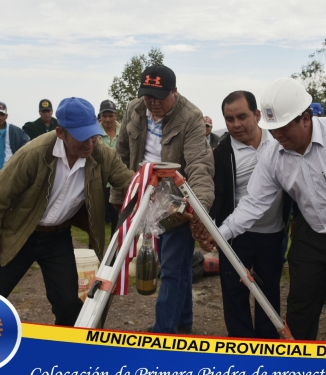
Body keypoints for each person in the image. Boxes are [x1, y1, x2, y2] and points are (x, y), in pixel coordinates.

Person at [193, 77, 326, 342]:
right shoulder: (274, 154)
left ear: (305, 118)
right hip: (312, 234)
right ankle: (297, 368)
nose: (277, 136)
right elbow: (254, 202)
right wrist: (220, 233)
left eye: (283, 128)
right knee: (300, 308)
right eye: (273, 130)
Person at [0, 97, 133, 326]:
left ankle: (67, 349)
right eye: (82, 137)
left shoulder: (101, 156)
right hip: (21, 233)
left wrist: (154, 183)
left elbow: (130, 182)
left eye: (93, 135)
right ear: (61, 133)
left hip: (57, 238)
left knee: (68, 302)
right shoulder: (34, 153)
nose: (89, 144)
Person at [112, 64, 215, 334]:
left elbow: (200, 166)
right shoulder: (134, 110)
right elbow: (121, 153)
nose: (153, 103)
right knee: (176, 264)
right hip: (144, 194)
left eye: (159, 97)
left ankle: (163, 331)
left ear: (175, 92)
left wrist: (199, 212)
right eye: (148, 96)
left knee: (170, 265)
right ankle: (183, 323)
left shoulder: (191, 117)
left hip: (177, 201)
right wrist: (118, 197)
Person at [209, 90, 290, 339]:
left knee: (269, 291)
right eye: (229, 119)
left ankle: (267, 343)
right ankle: (242, 343)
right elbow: (216, 195)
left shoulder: (279, 143)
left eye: (242, 117)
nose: (236, 124)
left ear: (257, 115)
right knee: (234, 293)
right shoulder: (221, 154)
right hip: (236, 233)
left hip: (273, 232)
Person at [98, 99, 120, 236]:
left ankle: (115, 256)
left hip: (117, 183)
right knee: (97, 221)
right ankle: (94, 254)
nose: (107, 119)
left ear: (115, 116)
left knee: (117, 221)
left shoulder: (123, 131)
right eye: (104, 116)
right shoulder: (94, 133)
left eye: (110, 115)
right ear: (100, 116)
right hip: (99, 183)